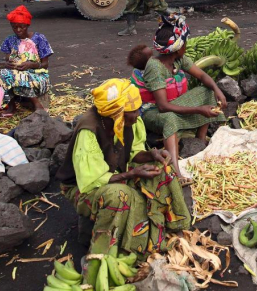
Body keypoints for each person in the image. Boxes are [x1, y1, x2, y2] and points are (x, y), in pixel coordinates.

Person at [56, 78, 190, 266]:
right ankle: (115, 251)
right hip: (83, 188)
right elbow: (92, 179)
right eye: (133, 111)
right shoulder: (89, 130)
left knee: (163, 171)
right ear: (117, 114)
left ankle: (169, 228)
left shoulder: (129, 121)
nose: (137, 114)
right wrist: (132, 175)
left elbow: (134, 153)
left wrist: (152, 154)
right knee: (120, 195)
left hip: (116, 174)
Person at [137, 14, 227, 184]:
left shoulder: (178, 60)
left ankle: (199, 143)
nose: (186, 45)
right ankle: (176, 172)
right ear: (178, 48)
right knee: (170, 118)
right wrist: (199, 109)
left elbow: (201, 75)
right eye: (185, 42)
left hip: (169, 105)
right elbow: (163, 107)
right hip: (152, 112)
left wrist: (217, 90)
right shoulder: (155, 67)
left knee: (206, 91)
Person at [0, 6, 53, 116]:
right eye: (14, 27)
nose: (18, 30)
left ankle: (37, 105)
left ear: (27, 25)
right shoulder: (9, 40)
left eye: (21, 27)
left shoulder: (39, 38)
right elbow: (7, 60)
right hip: (17, 75)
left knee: (17, 75)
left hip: (38, 77)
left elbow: (45, 65)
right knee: (4, 74)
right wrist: (9, 64)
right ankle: (11, 106)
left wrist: (31, 65)